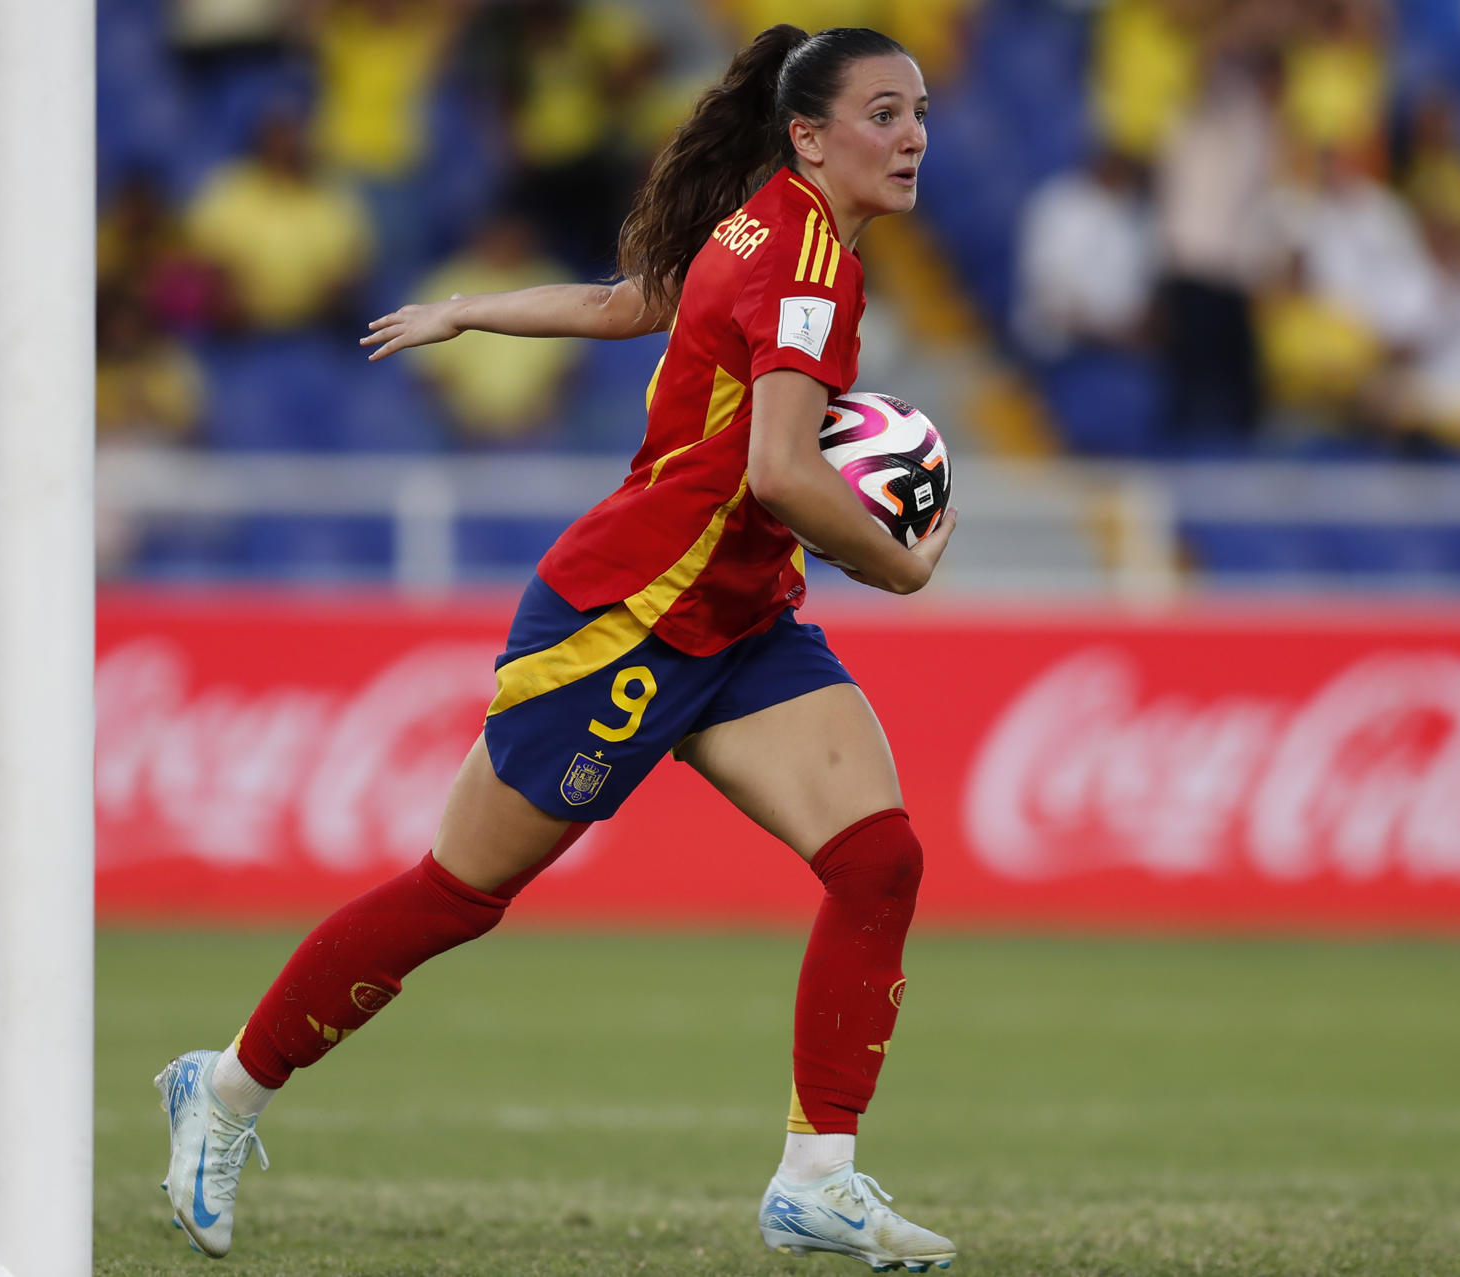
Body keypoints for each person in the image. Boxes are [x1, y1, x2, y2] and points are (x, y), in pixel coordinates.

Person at [155, 25, 961, 1271]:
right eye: (883, 114)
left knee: (880, 859)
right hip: (622, 625)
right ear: (810, 136)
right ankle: (222, 1091)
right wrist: (902, 560)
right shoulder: (809, 265)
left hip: (738, 620)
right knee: (455, 896)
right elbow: (784, 470)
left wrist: (468, 309)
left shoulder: (768, 220)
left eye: (919, 112)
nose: (913, 136)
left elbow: (625, 302)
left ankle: (819, 1174)